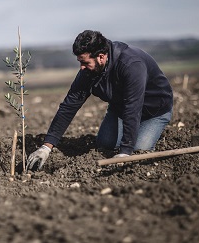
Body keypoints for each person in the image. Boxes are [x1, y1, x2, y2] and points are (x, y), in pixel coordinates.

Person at [27, 30, 173, 170]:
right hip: (120, 109)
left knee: (138, 151)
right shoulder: (88, 71)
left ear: (101, 57)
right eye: (80, 62)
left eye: (85, 62)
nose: (81, 68)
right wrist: (46, 147)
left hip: (154, 111)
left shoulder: (131, 65)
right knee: (104, 144)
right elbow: (69, 106)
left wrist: (125, 152)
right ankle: (133, 135)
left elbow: (133, 108)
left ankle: (146, 135)